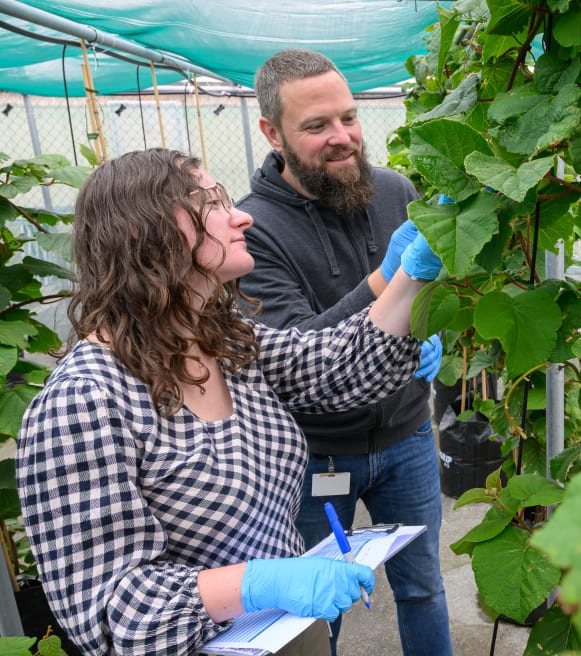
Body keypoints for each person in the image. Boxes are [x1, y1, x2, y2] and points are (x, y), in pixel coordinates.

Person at [15, 148, 443, 656]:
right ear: (139, 230)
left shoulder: (224, 343)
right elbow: (111, 612)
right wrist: (254, 583)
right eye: (210, 202)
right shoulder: (83, 402)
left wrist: (412, 277)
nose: (240, 214)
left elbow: (334, 365)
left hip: (287, 635)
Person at [235, 49, 453, 656]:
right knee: (311, 609)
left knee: (423, 588)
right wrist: (385, 283)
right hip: (313, 455)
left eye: (349, 118)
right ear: (272, 133)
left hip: (407, 435)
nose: (343, 138)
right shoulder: (250, 232)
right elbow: (299, 353)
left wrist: (434, 335)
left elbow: (431, 294)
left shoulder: (393, 191)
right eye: (316, 126)